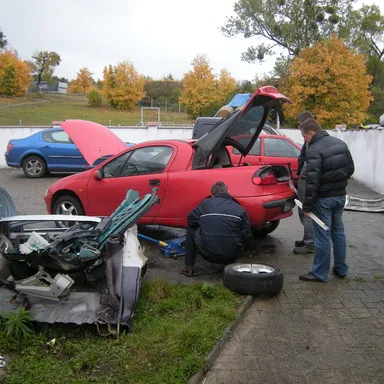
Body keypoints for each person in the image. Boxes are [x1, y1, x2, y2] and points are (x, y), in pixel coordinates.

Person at [298, 118, 355, 282]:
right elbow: (350, 169)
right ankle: (341, 268)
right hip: (340, 197)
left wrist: (307, 206)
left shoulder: (314, 150)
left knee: (323, 236)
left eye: (304, 137)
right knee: (338, 232)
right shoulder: (340, 143)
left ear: (311, 132)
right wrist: (338, 183)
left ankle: (319, 273)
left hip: (324, 200)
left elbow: (312, 181)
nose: (305, 141)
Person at [180, 181, 252, 277]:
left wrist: (205, 223)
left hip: (207, 253)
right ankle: (230, 262)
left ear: (212, 195)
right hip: (232, 255)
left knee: (190, 229)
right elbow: (247, 236)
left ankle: (189, 268)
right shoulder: (239, 209)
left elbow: (190, 220)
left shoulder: (205, 204)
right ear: (228, 192)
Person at [294, 110, 315, 254]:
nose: (299, 128)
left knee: (305, 210)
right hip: (306, 180)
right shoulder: (310, 139)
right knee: (304, 210)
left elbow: (310, 161)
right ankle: (307, 238)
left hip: (307, 181)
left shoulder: (311, 140)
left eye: (300, 124)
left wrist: (302, 175)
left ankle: (310, 243)